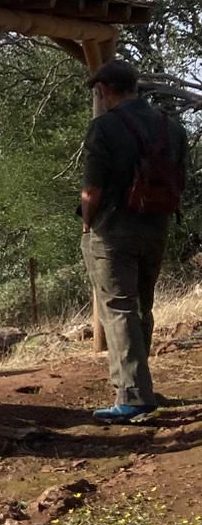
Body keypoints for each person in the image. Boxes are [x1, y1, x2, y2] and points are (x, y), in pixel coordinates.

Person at [79, 59, 189, 423]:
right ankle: (140, 387)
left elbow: (91, 189)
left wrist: (87, 223)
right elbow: (180, 179)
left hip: (114, 230)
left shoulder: (104, 128)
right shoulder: (171, 126)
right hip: (156, 226)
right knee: (142, 306)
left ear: (104, 89)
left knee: (119, 310)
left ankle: (132, 396)